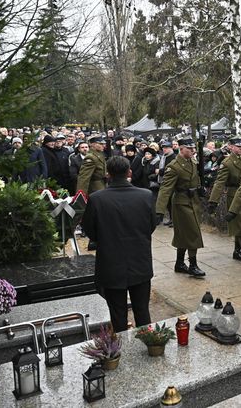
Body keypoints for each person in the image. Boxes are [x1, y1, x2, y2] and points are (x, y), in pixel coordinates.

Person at [81, 156, 158, 332]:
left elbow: (90, 231)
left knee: (117, 313)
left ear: (108, 174)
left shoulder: (96, 199)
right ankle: (147, 345)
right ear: (129, 172)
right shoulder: (145, 196)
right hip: (139, 260)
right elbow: (151, 225)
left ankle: (124, 351)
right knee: (142, 310)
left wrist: (108, 239)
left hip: (111, 261)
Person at [155, 137, 206, 278]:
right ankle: (193, 265)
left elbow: (196, 178)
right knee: (193, 233)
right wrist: (159, 210)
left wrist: (200, 188)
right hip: (181, 203)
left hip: (193, 201)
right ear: (181, 148)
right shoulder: (174, 166)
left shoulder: (193, 162)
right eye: (190, 148)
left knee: (184, 234)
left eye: (194, 148)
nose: (193, 151)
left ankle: (179, 263)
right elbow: (165, 189)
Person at [208, 137, 241, 264]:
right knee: (240, 225)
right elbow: (219, 182)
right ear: (231, 147)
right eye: (238, 146)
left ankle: (237, 250)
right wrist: (213, 201)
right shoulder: (227, 163)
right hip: (233, 196)